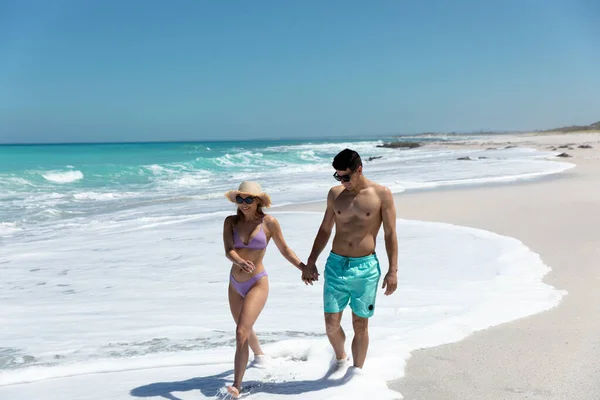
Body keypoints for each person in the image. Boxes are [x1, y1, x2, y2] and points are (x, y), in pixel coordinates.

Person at [302, 148, 398, 370]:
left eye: (346, 176)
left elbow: (390, 234)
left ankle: (357, 374)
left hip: (365, 268)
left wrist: (393, 270)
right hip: (336, 265)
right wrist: (311, 261)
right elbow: (325, 229)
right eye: (337, 176)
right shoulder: (335, 195)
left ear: (359, 170)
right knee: (331, 325)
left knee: (360, 325)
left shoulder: (381, 194)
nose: (342, 181)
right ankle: (340, 359)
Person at [222, 181, 305, 398]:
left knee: (241, 332)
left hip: (257, 282)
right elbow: (228, 250)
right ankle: (260, 356)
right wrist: (239, 261)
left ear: (259, 201)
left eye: (249, 199)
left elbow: (284, 248)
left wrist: (303, 267)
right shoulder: (230, 222)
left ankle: (236, 386)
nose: (244, 204)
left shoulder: (269, 223)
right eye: (240, 199)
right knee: (245, 329)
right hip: (234, 283)